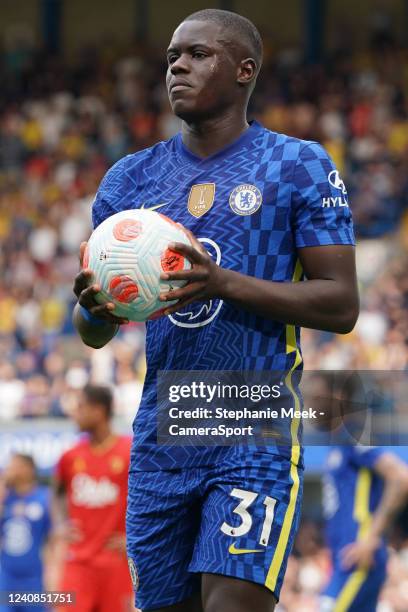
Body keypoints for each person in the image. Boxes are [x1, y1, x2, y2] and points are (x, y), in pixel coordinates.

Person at [72, 9, 359, 612]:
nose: (177, 64)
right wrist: (95, 310)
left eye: (198, 54)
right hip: (162, 431)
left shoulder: (297, 165)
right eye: (173, 55)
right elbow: (93, 333)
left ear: (243, 71)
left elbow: (340, 301)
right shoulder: (129, 181)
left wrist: (223, 281)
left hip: (252, 422)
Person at [307, 373, 408, 611]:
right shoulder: (337, 443)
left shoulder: (353, 436)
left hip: (357, 557)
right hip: (345, 558)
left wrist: (370, 537)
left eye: (316, 395)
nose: (310, 403)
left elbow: (400, 477)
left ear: (337, 396)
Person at [54, 384, 133, 612]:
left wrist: (133, 536)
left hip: (115, 562)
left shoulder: (129, 452)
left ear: (98, 411)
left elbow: (152, 498)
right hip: (78, 562)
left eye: (80, 407)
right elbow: (56, 493)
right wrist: (61, 523)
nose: (75, 414)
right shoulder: (70, 456)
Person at [0, 454, 52, 612]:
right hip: (6, 576)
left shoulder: (45, 497)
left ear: (28, 469)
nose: (9, 470)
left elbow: (54, 539)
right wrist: (3, 482)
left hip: (34, 577)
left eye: (14, 466)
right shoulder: (6, 497)